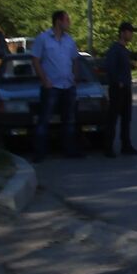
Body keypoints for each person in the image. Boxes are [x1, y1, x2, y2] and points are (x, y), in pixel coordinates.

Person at [31, 10, 82, 162]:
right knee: (45, 119)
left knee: (69, 120)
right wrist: (44, 80)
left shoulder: (69, 40)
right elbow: (35, 60)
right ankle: (39, 152)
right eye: (67, 20)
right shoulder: (43, 39)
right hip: (51, 86)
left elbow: (75, 59)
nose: (69, 23)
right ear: (58, 21)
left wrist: (74, 78)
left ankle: (69, 149)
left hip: (67, 86)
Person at [104, 22, 137, 157]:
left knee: (126, 118)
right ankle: (108, 147)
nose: (131, 34)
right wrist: (118, 82)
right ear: (123, 33)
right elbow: (110, 67)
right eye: (130, 32)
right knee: (113, 118)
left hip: (126, 88)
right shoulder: (115, 48)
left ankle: (126, 145)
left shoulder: (124, 50)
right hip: (117, 88)